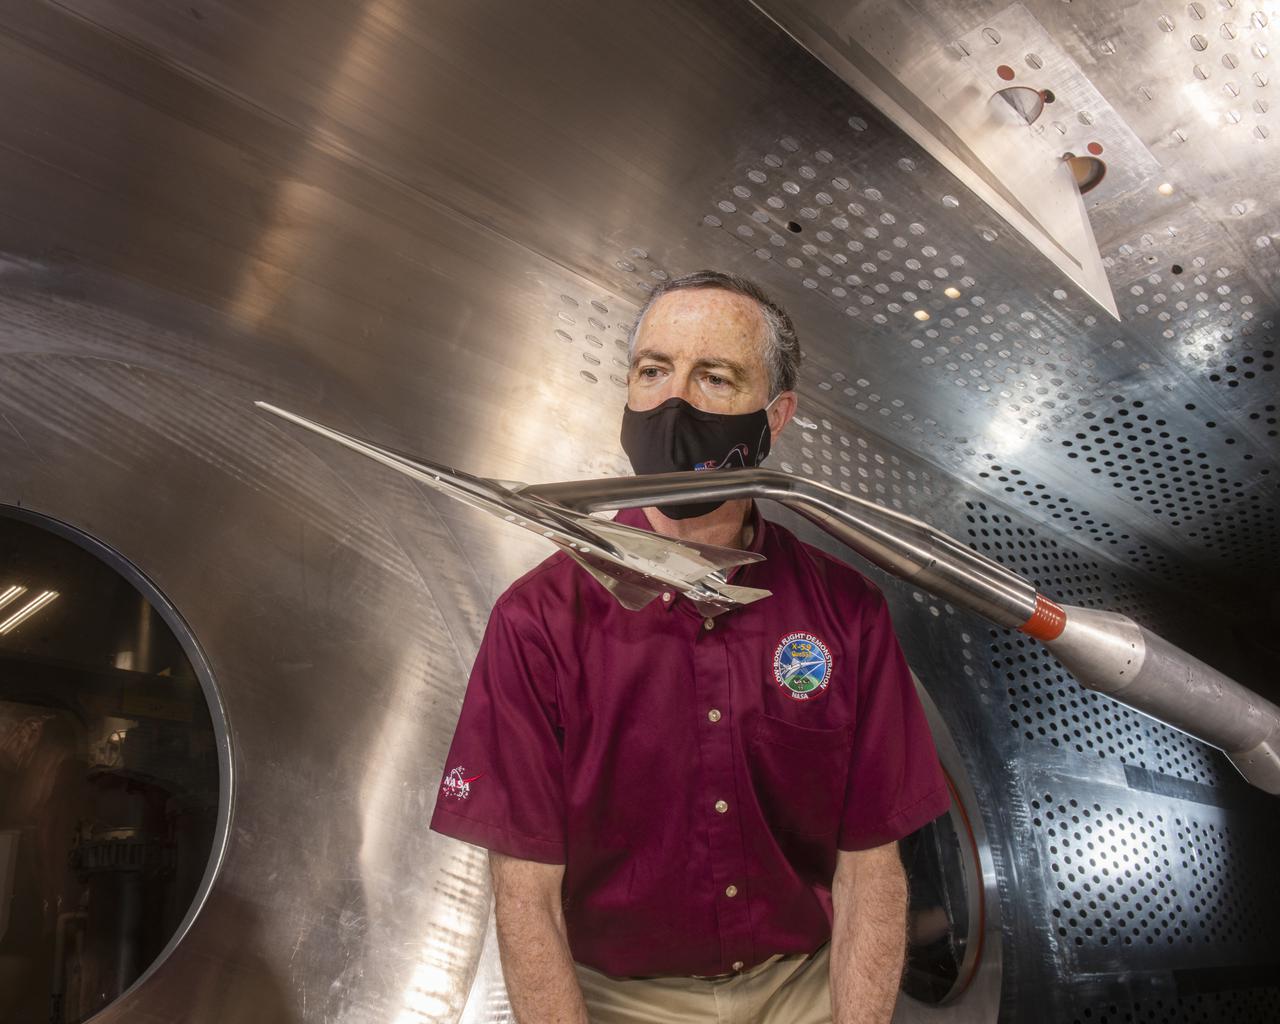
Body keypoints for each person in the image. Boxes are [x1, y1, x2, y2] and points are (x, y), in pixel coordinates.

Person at [430, 270, 951, 1023]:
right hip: (620, 1004)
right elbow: (525, 898)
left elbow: (870, 870)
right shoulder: (537, 620)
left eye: (715, 376)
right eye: (653, 371)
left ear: (775, 417)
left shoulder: (847, 613)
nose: (674, 403)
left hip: (805, 988)